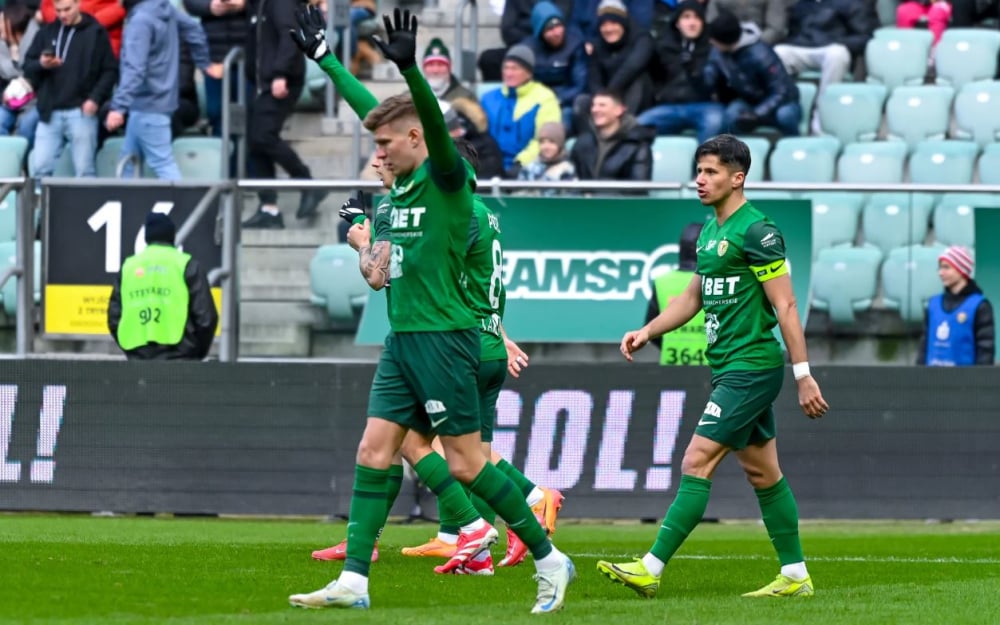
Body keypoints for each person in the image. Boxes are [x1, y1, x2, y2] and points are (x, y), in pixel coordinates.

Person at [286, 9, 574, 612]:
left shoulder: (447, 183)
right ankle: (355, 582)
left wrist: (411, 68)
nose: (379, 152)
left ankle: (549, 558)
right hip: (403, 339)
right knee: (373, 451)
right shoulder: (395, 198)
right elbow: (380, 119)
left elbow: (429, 128)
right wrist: (325, 59)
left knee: (468, 464)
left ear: (417, 141)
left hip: (447, 338)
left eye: (388, 144)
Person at [598, 134, 829, 599]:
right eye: (699, 171)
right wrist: (649, 331)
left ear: (737, 177)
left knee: (695, 460)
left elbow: (785, 306)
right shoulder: (709, 232)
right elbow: (692, 298)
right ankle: (796, 574)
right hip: (727, 367)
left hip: (752, 367)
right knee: (764, 474)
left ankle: (650, 566)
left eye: (710, 172)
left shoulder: (757, 232)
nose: (700, 180)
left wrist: (803, 375)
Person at [105, 0, 222, 180]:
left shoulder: (140, 21)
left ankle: (182, 207)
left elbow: (135, 69)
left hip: (148, 105)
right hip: (152, 104)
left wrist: (119, 107)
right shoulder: (163, 8)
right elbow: (194, 29)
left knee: (162, 164)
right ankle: (128, 207)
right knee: (128, 165)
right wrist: (204, 63)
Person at [241, 0, 326, 229]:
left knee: (263, 137)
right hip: (263, 82)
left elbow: (289, 36)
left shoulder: (279, 2)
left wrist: (280, 73)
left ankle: (308, 184)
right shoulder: (257, 5)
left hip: (281, 80)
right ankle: (269, 209)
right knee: (255, 143)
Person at [22, 0, 118, 178]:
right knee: (40, 170)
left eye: (67, 9)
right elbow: (27, 65)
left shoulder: (96, 32)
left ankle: (86, 206)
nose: (63, 15)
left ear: (78, 4)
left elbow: (110, 70)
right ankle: (40, 207)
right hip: (50, 111)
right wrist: (42, 64)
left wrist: (95, 98)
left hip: (81, 111)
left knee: (85, 172)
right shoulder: (46, 32)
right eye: (58, 11)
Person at [107, 212, 219, 360]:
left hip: (137, 361)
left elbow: (114, 317)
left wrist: (132, 350)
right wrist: (196, 353)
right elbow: (206, 318)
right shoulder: (186, 265)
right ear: (172, 236)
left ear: (147, 237)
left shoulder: (129, 267)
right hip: (181, 360)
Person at [704, 10, 801, 137]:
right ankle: (736, 153)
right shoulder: (718, 52)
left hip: (782, 102)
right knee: (731, 114)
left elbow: (781, 91)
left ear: (725, 41)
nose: (711, 42)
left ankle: (792, 148)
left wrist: (757, 113)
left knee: (785, 115)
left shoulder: (761, 54)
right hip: (749, 101)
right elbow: (710, 75)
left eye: (714, 40)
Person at [480, 44, 561, 177]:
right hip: (490, 166)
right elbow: (479, 137)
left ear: (528, 73)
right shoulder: (487, 98)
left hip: (527, 167)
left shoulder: (544, 97)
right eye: (506, 68)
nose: (509, 73)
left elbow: (545, 139)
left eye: (515, 69)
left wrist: (521, 162)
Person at [918, 245, 996, 366]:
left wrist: (981, 382)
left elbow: (985, 349)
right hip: (931, 381)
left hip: (965, 382)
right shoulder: (933, 304)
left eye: (946, 267)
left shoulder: (980, 306)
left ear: (962, 270)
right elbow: (924, 346)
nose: (940, 273)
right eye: (939, 268)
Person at [646, 222, 707, 365]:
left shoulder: (662, 281)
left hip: (671, 367)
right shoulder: (714, 279)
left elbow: (651, 330)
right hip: (710, 370)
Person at [570, 89, 654, 187]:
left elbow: (638, 189)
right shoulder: (583, 142)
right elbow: (571, 180)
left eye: (602, 105)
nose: (595, 110)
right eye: (593, 105)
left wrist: (596, 196)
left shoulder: (637, 145)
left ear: (618, 110)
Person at [518, 120, 577, 195]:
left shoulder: (567, 170)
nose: (546, 147)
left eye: (551, 142)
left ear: (560, 145)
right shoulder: (529, 168)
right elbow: (520, 195)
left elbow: (570, 200)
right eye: (542, 142)